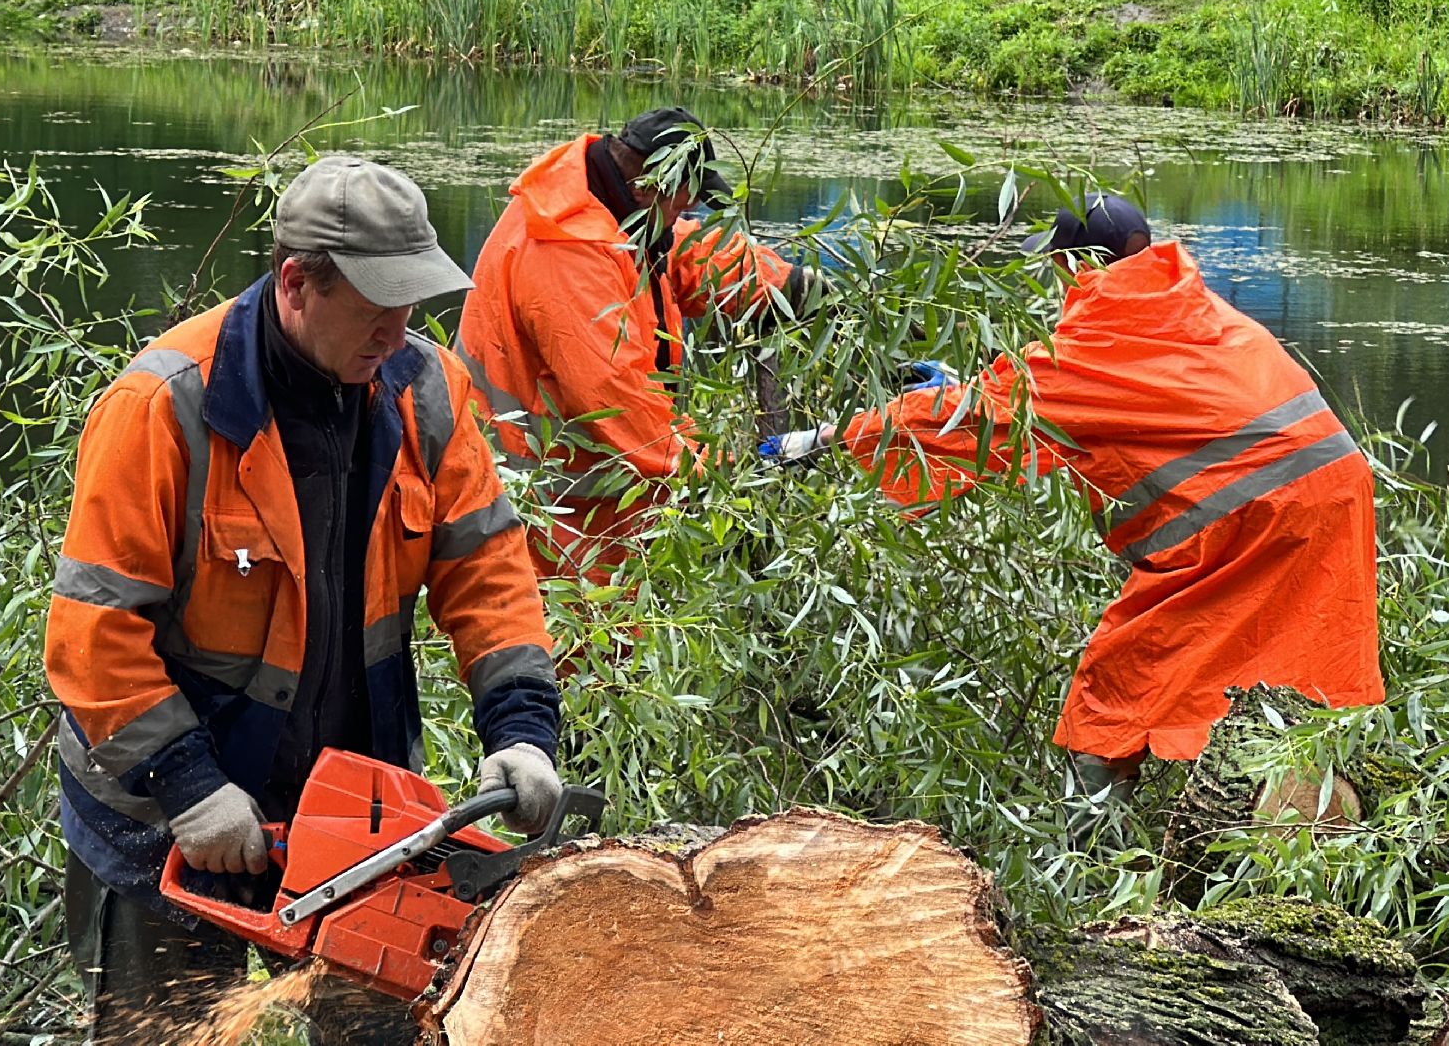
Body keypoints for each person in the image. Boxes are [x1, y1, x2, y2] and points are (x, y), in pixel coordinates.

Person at [44, 156, 563, 1042]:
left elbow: (487, 568)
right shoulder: (165, 406)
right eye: (376, 307)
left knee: (384, 1029)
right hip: (163, 812)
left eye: (410, 304)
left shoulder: (424, 389)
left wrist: (521, 725)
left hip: (351, 807)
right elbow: (94, 633)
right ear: (295, 283)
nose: (399, 330)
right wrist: (190, 786)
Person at [793, 193, 1384, 827]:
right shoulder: (1190, 306)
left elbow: (995, 418)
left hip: (1257, 522)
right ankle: (1294, 814)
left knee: (1117, 680)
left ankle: (1093, 853)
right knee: (1279, 666)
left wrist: (826, 438)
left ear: (1078, 265)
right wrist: (968, 389)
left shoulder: (1100, 337)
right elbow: (1064, 397)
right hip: (1334, 495)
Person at [453, 106, 808, 582]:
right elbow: (617, 396)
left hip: (589, 495)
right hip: (538, 506)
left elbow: (691, 252)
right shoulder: (566, 252)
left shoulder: (608, 208)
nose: (683, 217)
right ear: (647, 186)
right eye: (681, 205)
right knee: (583, 643)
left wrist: (793, 289)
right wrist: (727, 472)